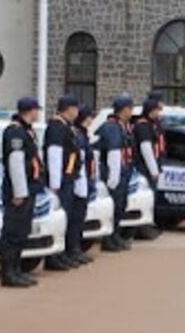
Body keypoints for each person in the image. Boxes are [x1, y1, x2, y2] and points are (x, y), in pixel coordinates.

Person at [0, 97, 43, 287]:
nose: (38, 113)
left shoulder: (26, 130)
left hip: (28, 188)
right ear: (29, 110)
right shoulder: (15, 131)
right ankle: (8, 272)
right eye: (36, 110)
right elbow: (16, 163)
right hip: (19, 191)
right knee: (13, 232)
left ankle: (16, 270)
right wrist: (19, 192)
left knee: (22, 231)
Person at [44, 95, 83, 270]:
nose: (77, 112)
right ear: (68, 109)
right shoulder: (57, 128)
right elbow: (55, 157)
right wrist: (55, 184)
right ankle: (54, 257)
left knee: (67, 218)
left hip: (68, 178)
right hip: (61, 181)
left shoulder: (66, 127)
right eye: (75, 108)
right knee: (60, 219)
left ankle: (63, 253)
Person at [98, 96, 135, 252]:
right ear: (124, 109)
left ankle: (115, 236)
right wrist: (114, 177)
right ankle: (109, 239)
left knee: (121, 206)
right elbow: (113, 152)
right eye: (130, 109)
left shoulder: (123, 126)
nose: (131, 112)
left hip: (124, 170)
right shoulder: (111, 126)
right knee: (114, 207)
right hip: (115, 172)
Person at [133, 98, 164, 240]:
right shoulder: (143, 126)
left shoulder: (152, 124)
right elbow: (146, 149)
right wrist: (153, 170)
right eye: (157, 110)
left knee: (152, 199)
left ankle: (148, 226)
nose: (159, 112)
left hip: (151, 165)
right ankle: (143, 229)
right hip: (144, 168)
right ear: (151, 110)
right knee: (147, 199)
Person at [70, 105, 95, 264]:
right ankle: (73, 249)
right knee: (75, 218)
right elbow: (78, 159)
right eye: (90, 116)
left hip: (85, 179)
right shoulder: (78, 135)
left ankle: (76, 248)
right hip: (79, 180)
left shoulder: (84, 135)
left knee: (80, 218)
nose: (92, 119)